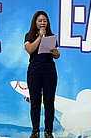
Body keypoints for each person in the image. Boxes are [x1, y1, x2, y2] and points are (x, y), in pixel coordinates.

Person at [24, 10, 60, 138]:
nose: (42, 23)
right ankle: (35, 131)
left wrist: (56, 52)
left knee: (49, 102)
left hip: (49, 71)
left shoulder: (51, 36)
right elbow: (30, 49)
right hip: (34, 72)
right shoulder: (29, 36)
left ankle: (48, 131)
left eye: (45, 21)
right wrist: (40, 37)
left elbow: (57, 56)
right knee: (35, 102)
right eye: (40, 21)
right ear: (35, 22)